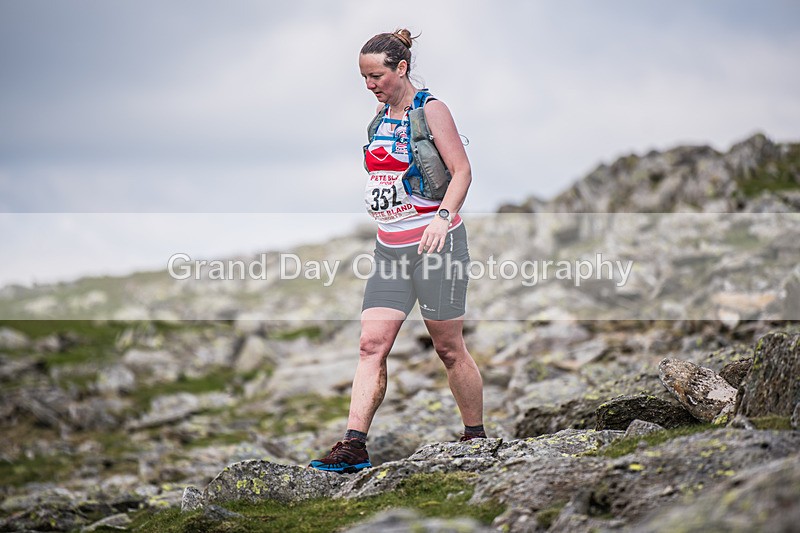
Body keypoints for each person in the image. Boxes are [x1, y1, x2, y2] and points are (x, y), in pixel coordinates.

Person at [309, 29, 485, 474]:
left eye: (376, 76)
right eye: (364, 78)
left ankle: (475, 437)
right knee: (371, 345)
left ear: (401, 68)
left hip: (436, 247)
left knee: (448, 349)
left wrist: (441, 220)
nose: (370, 85)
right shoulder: (380, 115)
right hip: (390, 250)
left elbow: (462, 172)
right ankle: (353, 445)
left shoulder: (432, 111)